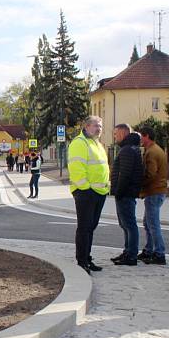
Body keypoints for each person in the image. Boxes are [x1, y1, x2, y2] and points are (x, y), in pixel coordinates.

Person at [68, 115, 110, 274]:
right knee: (84, 228)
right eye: (95, 126)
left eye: (100, 126)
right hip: (86, 192)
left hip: (99, 191)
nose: (99, 129)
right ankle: (82, 261)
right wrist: (85, 188)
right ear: (86, 127)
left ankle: (87, 257)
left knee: (91, 227)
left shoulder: (96, 143)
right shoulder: (80, 143)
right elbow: (77, 168)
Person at [110, 124, 144, 266]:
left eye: (116, 133)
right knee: (125, 224)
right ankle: (128, 251)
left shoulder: (128, 150)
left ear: (124, 133)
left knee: (129, 224)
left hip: (125, 193)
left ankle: (131, 255)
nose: (115, 136)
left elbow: (125, 174)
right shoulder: (130, 148)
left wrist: (118, 192)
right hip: (126, 193)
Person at [137, 126, 169, 265]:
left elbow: (151, 174)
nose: (140, 140)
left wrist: (139, 184)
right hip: (157, 191)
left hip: (154, 191)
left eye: (141, 137)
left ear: (147, 136)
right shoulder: (157, 149)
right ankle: (149, 250)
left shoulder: (151, 152)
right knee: (148, 222)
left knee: (153, 224)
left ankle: (159, 253)